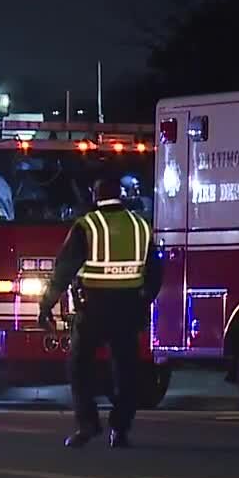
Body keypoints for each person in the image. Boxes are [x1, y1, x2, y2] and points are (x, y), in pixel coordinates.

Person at [38, 177, 163, 448]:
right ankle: (120, 429)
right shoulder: (141, 226)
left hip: (93, 307)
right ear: (120, 194)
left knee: (79, 366)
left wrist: (46, 305)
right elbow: (155, 272)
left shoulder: (87, 226)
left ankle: (88, 425)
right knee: (127, 370)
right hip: (128, 307)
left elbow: (64, 270)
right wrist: (143, 301)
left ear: (95, 195)